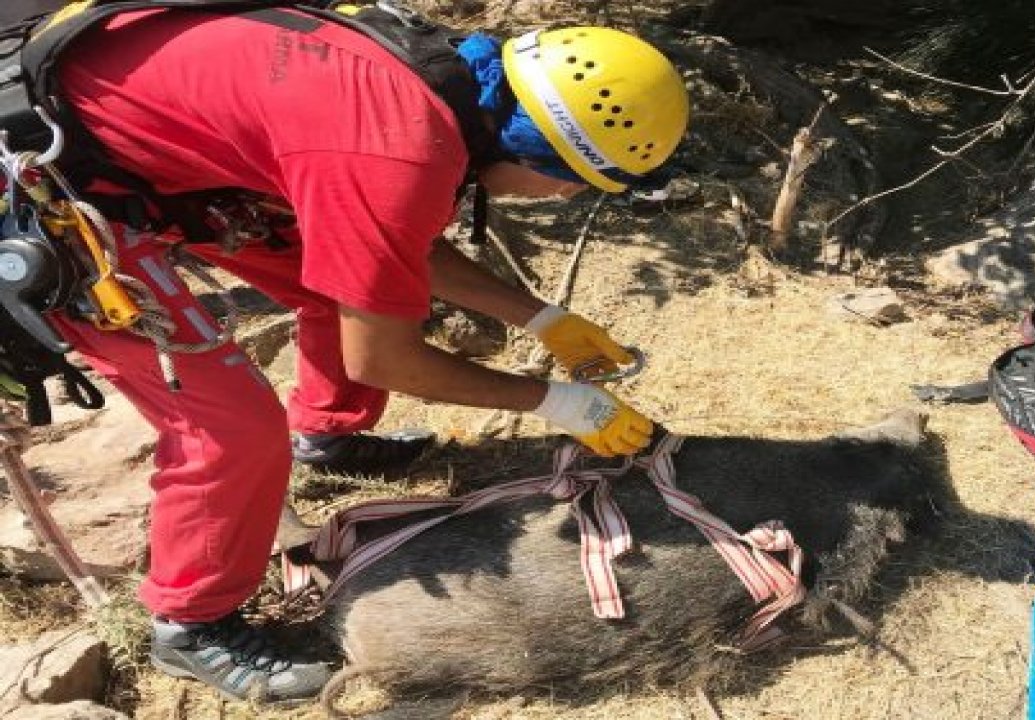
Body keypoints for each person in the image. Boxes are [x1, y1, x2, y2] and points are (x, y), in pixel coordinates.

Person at [35, 3, 689, 704]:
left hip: (132, 140)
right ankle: (189, 625)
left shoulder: (445, 86)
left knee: (341, 287)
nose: (560, 197)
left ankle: (325, 433)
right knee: (232, 430)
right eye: (573, 183)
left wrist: (542, 318)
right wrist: (562, 402)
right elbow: (388, 360)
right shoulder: (398, 148)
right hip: (52, 180)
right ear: (542, 152)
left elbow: (385, 245)